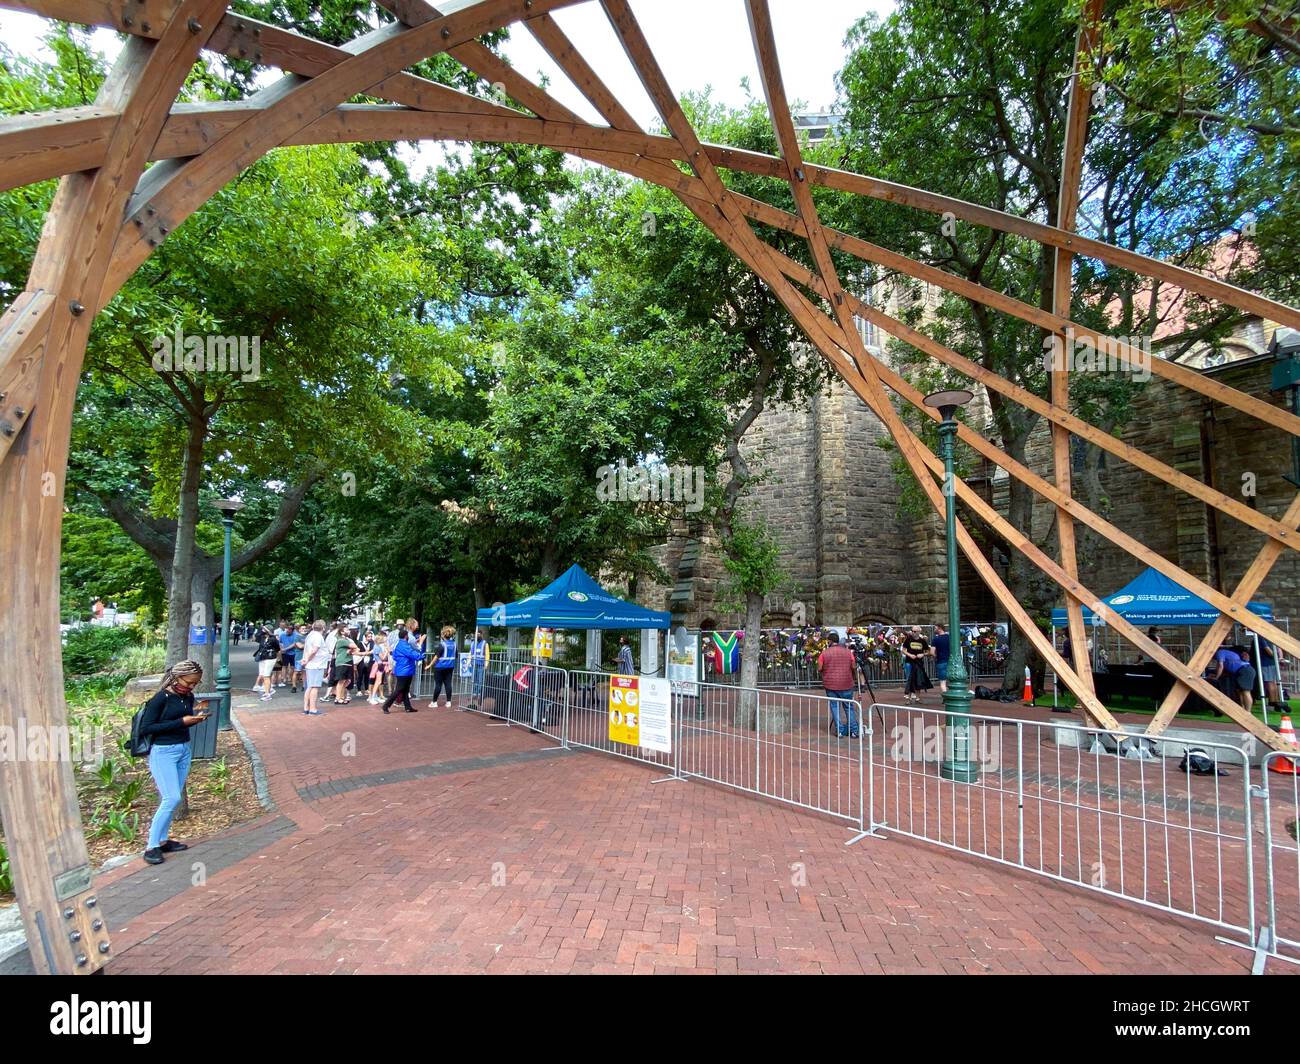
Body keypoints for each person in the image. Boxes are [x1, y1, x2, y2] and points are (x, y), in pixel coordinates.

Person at [139, 660, 210, 865]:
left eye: (194, 684)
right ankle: (151, 846)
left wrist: (196, 718)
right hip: (163, 752)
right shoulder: (160, 698)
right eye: (188, 682)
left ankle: (163, 840)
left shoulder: (187, 696)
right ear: (176, 677)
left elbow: (183, 717)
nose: (190, 687)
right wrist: (182, 722)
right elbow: (147, 728)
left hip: (183, 749)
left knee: (174, 798)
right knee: (170, 798)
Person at [817, 631, 862, 739]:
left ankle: (840, 731)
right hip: (846, 683)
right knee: (849, 707)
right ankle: (854, 731)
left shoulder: (824, 653)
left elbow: (819, 667)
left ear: (830, 641)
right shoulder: (848, 652)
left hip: (831, 684)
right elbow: (853, 666)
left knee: (835, 707)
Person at [382, 625, 425, 713]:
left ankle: (408, 707)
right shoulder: (404, 645)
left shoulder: (399, 644)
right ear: (406, 636)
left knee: (405, 689)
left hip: (403, 669)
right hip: (405, 670)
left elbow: (394, 655)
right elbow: (412, 654)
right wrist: (421, 656)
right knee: (399, 689)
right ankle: (386, 705)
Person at [300, 620, 327, 715]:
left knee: (310, 686)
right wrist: (307, 659)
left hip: (311, 665)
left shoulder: (310, 635)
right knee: (315, 687)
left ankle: (306, 708)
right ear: (323, 628)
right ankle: (313, 709)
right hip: (316, 665)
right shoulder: (318, 636)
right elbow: (314, 650)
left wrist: (305, 660)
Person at [902, 626, 932, 702]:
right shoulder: (908, 640)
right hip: (909, 662)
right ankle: (908, 697)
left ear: (919, 632)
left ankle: (917, 697)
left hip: (918, 663)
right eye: (912, 631)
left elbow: (928, 651)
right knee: (909, 679)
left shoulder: (922, 641)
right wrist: (910, 655)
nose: (913, 633)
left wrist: (923, 654)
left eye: (915, 631)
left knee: (919, 679)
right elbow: (903, 650)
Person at [430, 625, 457, 708]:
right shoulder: (454, 645)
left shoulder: (442, 645)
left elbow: (436, 657)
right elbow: (456, 656)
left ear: (443, 635)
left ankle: (434, 702)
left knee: (438, 684)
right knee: (448, 684)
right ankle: (448, 702)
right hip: (450, 667)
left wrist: (429, 665)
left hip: (440, 667)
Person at [333, 625, 359, 705]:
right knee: (341, 680)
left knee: (347, 681)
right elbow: (355, 646)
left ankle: (341, 696)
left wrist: (350, 650)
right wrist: (352, 649)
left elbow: (355, 648)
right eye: (346, 630)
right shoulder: (342, 640)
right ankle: (338, 698)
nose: (348, 631)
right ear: (342, 632)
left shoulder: (346, 640)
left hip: (348, 661)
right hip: (342, 662)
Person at [253, 624, 280, 701]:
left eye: (264, 629)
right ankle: (269, 688)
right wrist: (261, 630)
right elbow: (256, 637)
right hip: (262, 657)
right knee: (261, 674)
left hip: (270, 657)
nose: (263, 630)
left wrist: (269, 632)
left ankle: (267, 694)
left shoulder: (273, 639)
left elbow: (277, 648)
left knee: (266, 675)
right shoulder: (262, 637)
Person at [468, 629, 491, 710]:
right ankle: (474, 693)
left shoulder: (485, 644)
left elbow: (487, 655)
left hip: (481, 665)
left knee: (480, 680)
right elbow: (470, 654)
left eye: (478, 634)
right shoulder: (472, 643)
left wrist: (486, 664)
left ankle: (479, 694)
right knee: (474, 679)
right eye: (476, 634)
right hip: (474, 665)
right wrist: (468, 663)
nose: (477, 636)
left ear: (481, 635)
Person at [369, 629, 393, 705]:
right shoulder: (377, 647)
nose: (386, 639)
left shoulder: (378, 646)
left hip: (380, 665)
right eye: (385, 638)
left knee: (378, 681)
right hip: (378, 665)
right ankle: (372, 697)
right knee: (378, 681)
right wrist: (386, 651)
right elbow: (382, 657)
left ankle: (375, 696)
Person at [1259, 637, 1283, 705]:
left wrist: (1276, 657)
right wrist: (1279, 658)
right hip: (1273, 662)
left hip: (1267, 663)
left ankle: (1272, 702)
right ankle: (1275, 701)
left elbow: (1268, 650)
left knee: (1270, 683)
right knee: (1273, 682)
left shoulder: (1261, 638)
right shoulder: (1272, 637)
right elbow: (1279, 649)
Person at [932, 623, 951, 694]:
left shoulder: (936, 639)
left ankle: (946, 697)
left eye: (935, 628)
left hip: (941, 661)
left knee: (943, 682)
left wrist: (936, 656)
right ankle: (951, 695)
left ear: (939, 628)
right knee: (952, 681)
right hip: (951, 661)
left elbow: (932, 652)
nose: (934, 629)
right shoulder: (949, 637)